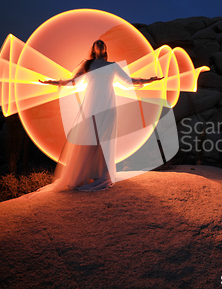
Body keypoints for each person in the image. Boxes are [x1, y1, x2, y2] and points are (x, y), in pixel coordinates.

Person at [39, 39, 162, 191]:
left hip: (108, 106)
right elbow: (73, 82)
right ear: (93, 48)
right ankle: (82, 176)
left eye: (102, 43)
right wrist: (53, 82)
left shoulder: (112, 66)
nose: (100, 44)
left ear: (105, 49)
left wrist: (149, 80)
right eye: (97, 43)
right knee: (89, 138)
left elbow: (129, 81)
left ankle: (101, 174)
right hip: (92, 105)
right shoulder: (87, 65)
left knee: (105, 139)